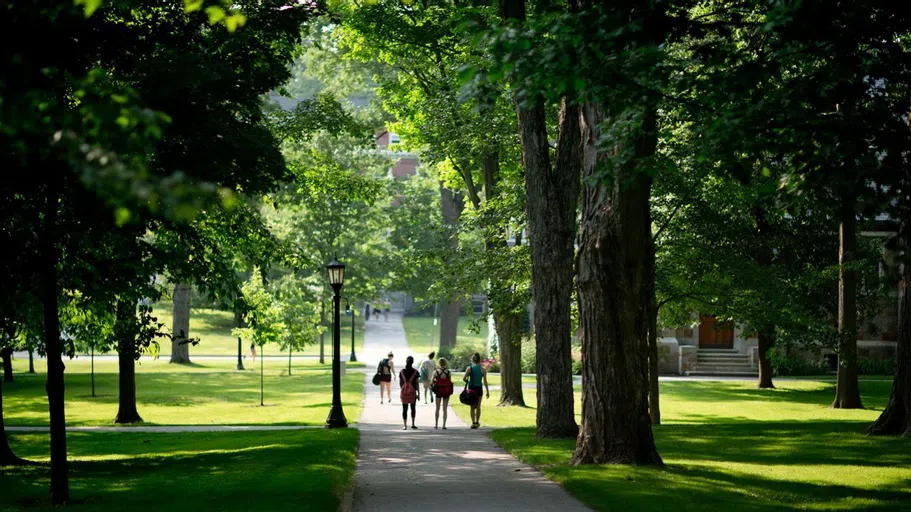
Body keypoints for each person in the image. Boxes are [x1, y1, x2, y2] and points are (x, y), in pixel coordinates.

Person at [463, 352, 490, 429]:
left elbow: (464, 378)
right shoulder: (483, 369)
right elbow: (485, 382)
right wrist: (487, 392)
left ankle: (473, 422)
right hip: (479, 389)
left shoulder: (469, 368)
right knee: (478, 406)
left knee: (472, 406)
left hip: (471, 388)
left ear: (472, 359)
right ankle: (477, 422)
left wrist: (468, 381)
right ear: (479, 360)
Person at [431, 357, 454, 429]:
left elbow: (431, 382)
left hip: (438, 391)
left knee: (437, 408)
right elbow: (449, 382)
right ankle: (444, 425)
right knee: (445, 408)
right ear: (445, 363)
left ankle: (436, 424)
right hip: (446, 392)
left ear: (439, 363)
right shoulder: (448, 372)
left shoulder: (435, 372)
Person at [399, 356, 419, 430]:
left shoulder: (402, 372)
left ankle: (405, 425)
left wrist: (404, 390)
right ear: (412, 362)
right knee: (413, 408)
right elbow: (417, 384)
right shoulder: (415, 372)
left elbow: (400, 383)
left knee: (404, 409)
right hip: (413, 392)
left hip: (404, 393)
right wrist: (418, 393)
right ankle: (413, 424)